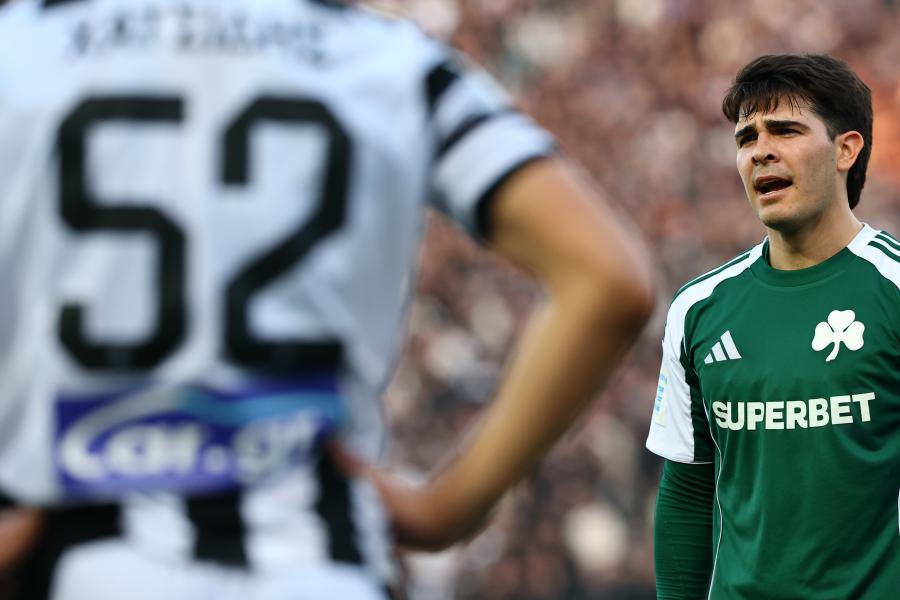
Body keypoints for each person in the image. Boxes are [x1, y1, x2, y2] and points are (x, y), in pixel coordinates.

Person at [0, 0, 654, 598]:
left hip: (80, 559)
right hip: (321, 563)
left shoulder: (21, 49)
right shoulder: (389, 63)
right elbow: (608, 279)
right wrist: (449, 508)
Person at [647, 53, 900, 599]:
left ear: (846, 149)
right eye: (746, 138)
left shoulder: (893, 288)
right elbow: (687, 492)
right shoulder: (698, 309)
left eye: (785, 131)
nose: (760, 150)